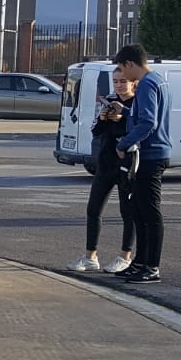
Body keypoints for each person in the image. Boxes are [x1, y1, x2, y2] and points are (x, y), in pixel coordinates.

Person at [67, 68, 137, 274]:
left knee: (128, 210)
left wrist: (122, 117)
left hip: (127, 162)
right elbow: (96, 131)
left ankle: (125, 256)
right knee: (93, 208)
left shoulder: (136, 105)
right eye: (115, 81)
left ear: (133, 83)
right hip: (106, 162)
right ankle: (90, 256)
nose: (119, 85)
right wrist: (104, 118)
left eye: (123, 81)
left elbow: (141, 127)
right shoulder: (109, 101)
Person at [113, 44, 170, 285]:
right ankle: (140, 262)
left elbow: (148, 122)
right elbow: (144, 115)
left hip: (149, 155)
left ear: (130, 64)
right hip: (152, 153)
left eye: (122, 71)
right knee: (138, 210)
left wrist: (123, 143)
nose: (123, 77)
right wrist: (125, 112)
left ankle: (152, 266)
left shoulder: (146, 84)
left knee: (149, 213)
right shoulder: (158, 80)